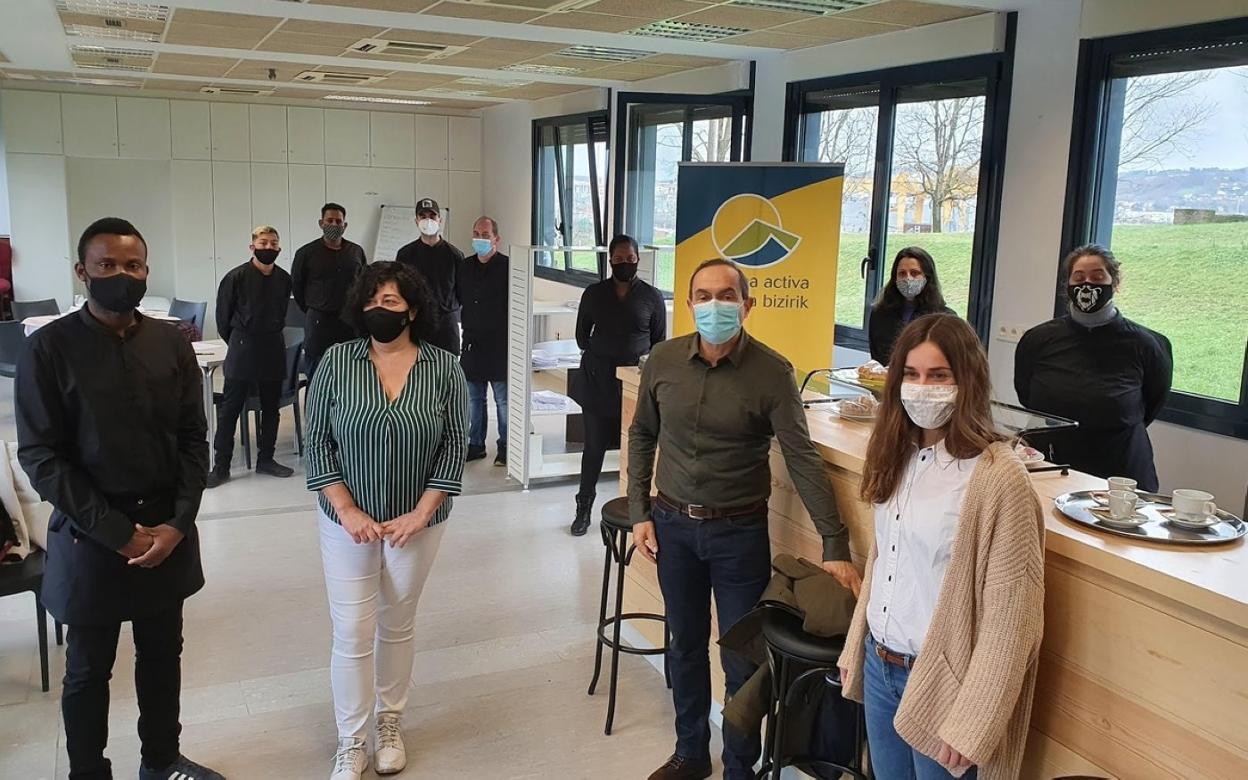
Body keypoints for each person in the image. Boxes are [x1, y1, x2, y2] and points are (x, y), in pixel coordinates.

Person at [628, 259, 862, 780]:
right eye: (704, 295)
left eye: (727, 295)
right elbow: (643, 434)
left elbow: (801, 457)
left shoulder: (772, 372)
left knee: (742, 659)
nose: (715, 305)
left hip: (738, 534)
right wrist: (640, 510)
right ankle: (691, 751)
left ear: (748, 305)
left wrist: (834, 542)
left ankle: (739, 766)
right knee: (683, 643)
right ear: (688, 304)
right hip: (672, 528)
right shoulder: (662, 361)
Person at [15, 217, 223, 780]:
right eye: (106, 265)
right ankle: (88, 772)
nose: (120, 275)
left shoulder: (170, 342)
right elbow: (41, 456)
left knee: (162, 657)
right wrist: (115, 531)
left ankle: (160, 761)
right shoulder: (49, 349)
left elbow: (191, 438)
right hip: (90, 534)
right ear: (83, 272)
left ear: (146, 271)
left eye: (132, 266)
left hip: (165, 530)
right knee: (87, 668)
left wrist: (177, 523)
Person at [837, 313, 1045, 780]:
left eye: (938, 375)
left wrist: (975, 720)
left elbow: (1013, 618)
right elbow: (882, 559)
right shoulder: (897, 452)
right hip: (880, 665)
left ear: (967, 380)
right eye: (910, 375)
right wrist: (856, 648)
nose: (921, 387)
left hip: (942, 680)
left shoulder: (997, 476)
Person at [305, 261, 468, 780]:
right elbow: (318, 442)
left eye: (391, 302)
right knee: (352, 630)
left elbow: (454, 446)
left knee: (396, 623)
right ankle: (351, 740)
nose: (380, 310)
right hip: (345, 521)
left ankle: (389, 722)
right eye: (373, 302)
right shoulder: (337, 362)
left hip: (418, 521)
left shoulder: (444, 367)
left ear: (413, 310)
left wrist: (421, 513)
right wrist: (347, 509)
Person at [1014, 244, 1172, 492]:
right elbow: (1025, 393)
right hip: (1050, 466)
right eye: (1079, 277)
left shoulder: (1148, 344)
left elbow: (1151, 404)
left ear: (1115, 284)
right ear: (1068, 285)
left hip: (1119, 473)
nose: (1087, 284)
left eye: (1098, 277)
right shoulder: (1037, 340)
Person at [570, 234, 666, 537]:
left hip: (635, 383)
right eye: (619, 258)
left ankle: (638, 511)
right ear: (610, 260)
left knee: (638, 449)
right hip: (597, 379)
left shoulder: (651, 296)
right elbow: (582, 336)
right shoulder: (594, 293)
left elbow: (658, 342)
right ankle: (584, 507)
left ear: (638, 259)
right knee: (594, 446)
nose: (625, 263)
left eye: (631, 258)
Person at [207, 225, 295, 488]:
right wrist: (237, 341)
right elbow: (223, 318)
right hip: (243, 346)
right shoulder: (235, 277)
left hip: (272, 346)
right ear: (252, 246)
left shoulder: (284, 279)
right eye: (263, 242)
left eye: (273, 243)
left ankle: (266, 459)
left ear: (279, 248)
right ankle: (221, 466)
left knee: (271, 407)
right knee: (230, 408)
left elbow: (282, 312)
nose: (268, 248)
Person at [456, 215, 509, 466]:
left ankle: (507, 446)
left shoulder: (509, 267)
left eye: (485, 234)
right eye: (477, 233)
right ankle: (475, 444)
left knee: (503, 401)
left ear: (496, 238)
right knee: (474, 400)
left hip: (500, 345)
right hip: (472, 343)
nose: (480, 238)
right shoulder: (464, 267)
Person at [292, 202, 367, 379]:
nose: (334, 225)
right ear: (321, 223)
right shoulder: (306, 253)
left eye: (338, 221)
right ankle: (316, 406)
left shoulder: (356, 251)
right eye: (329, 220)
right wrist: (314, 307)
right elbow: (297, 286)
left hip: (349, 322)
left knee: (350, 374)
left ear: (345, 225)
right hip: (319, 322)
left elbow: (365, 283)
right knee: (317, 374)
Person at [395, 197, 462, 355]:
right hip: (418, 323)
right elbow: (400, 290)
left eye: (432, 216)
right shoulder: (405, 254)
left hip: (446, 325)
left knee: (448, 373)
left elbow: (461, 292)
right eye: (423, 216)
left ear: (439, 220)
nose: (428, 220)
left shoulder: (454, 255)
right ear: (416, 221)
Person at [868, 246, 955, 365]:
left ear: (927, 277)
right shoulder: (879, 314)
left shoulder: (945, 318)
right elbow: (877, 359)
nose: (908, 278)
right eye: (902, 273)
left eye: (915, 273)